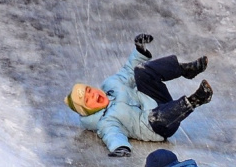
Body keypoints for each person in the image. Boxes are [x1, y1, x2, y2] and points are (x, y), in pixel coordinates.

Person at [64, 33, 212, 157]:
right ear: (88, 110)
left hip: (155, 100)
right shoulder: (105, 121)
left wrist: (139, 50)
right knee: (155, 117)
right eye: (88, 100)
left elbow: (128, 70)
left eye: (90, 91)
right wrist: (120, 148)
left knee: (141, 71)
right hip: (157, 126)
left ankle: (186, 69)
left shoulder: (111, 85)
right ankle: (197, 99)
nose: (94, 96)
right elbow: (113, 135)